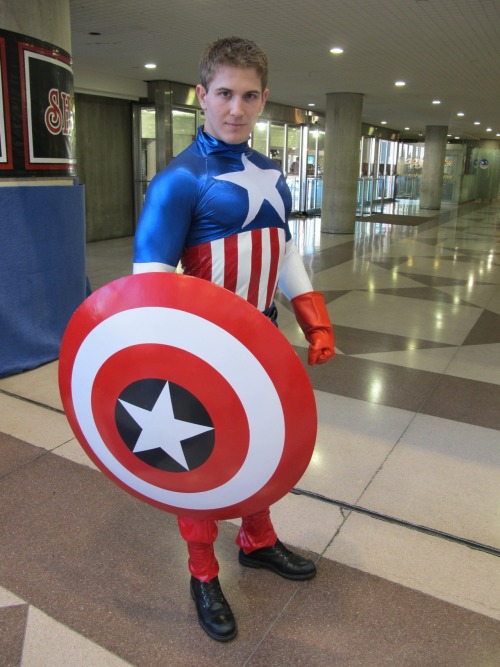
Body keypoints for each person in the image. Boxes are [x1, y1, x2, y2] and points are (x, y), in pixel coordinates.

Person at [133, 36, 335, 642]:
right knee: (198, 460)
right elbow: (148, 281)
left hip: (262, 344)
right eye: (224, 93)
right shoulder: (179, 179)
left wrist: (314, 319)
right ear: (202, 94)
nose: (236, 109)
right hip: (199, 355)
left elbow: (284, 252)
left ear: (265, 99)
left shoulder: (274, 175)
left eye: (249, 96)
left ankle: (258, 539)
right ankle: (201, 572)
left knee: (261, 445)